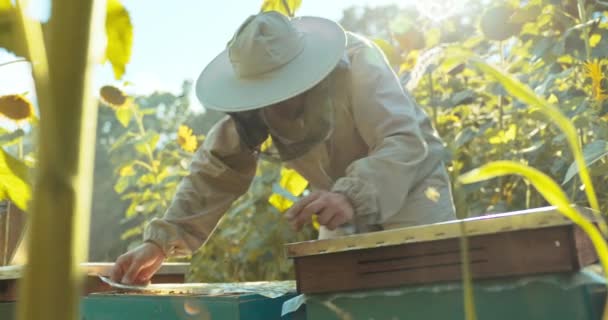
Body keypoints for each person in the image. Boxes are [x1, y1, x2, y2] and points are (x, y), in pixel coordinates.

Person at [110, 11, 456, 285]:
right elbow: (213, 174)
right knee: (334, 296)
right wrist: (159, 242)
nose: (272, 106)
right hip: (334, 199)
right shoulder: (252, 112)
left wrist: (350, 195)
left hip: (414, 189)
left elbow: (403, 141)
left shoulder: (360, 65)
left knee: (425, 293)